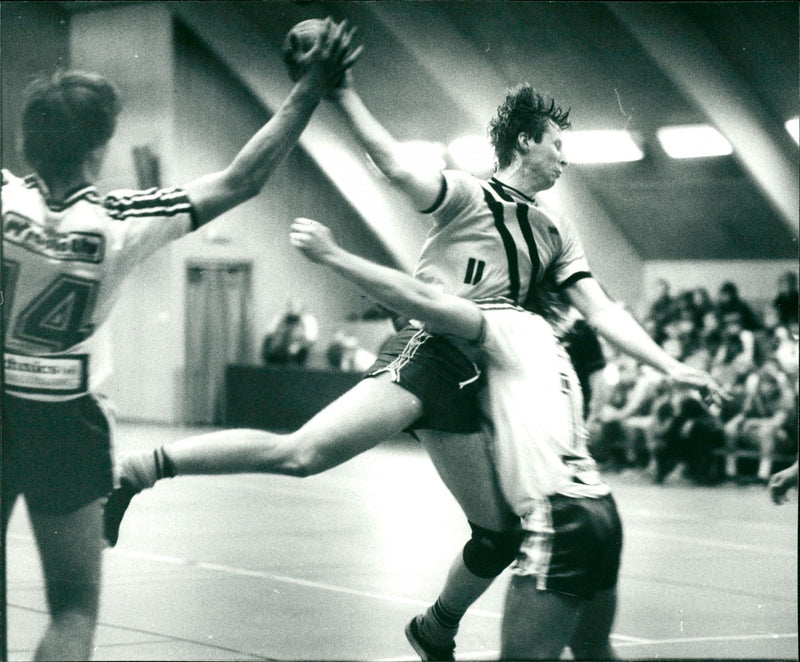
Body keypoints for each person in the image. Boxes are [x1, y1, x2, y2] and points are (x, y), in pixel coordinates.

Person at [106, 75, 723, 659]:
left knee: (500, 537)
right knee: (303, 454)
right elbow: (397, 168)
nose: (565, 158)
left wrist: (673, 366)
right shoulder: (468, 192)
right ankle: (142, 467)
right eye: (558, 144)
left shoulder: (558, 231)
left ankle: (435, 628)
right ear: (527, 141)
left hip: (480, 370)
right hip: (430, 352)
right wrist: (344, 94)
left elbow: (602, 310)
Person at [2, 22, 358, 661]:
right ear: (102, 146)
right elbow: (241, 179)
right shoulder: (118, 223)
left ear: (26, 142)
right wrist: (310, 87)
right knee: (73, 610)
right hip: (66, 424)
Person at [284, 216, 612, 659]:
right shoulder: (527, 332)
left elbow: (420, 300)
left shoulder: (526, 332)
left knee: (503, 551)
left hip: (571, 507)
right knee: (587, 642)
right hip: (589, 506)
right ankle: (437, 626)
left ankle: (436, 626)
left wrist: (333, 254)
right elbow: (419, 302)